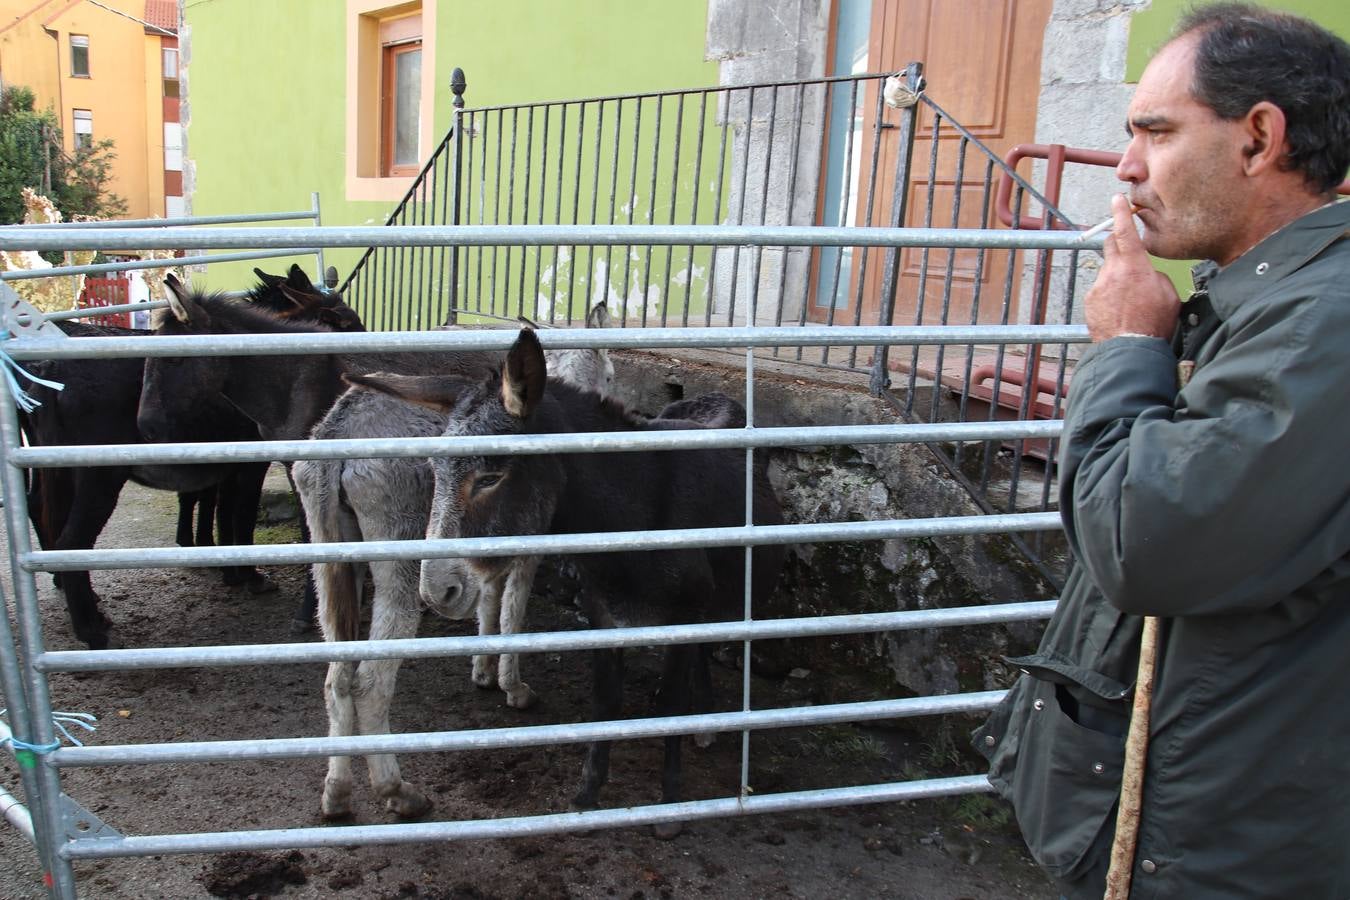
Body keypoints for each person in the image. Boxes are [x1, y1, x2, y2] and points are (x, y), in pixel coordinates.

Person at [973, 4, 1350, 898]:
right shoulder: (1266, 304)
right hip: (1193, 819)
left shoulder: (1325, 325)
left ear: (1260, 138)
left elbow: (1149, 541)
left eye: (1155, 131)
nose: (1128, 166)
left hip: (1227, 848)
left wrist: (1125, 350)